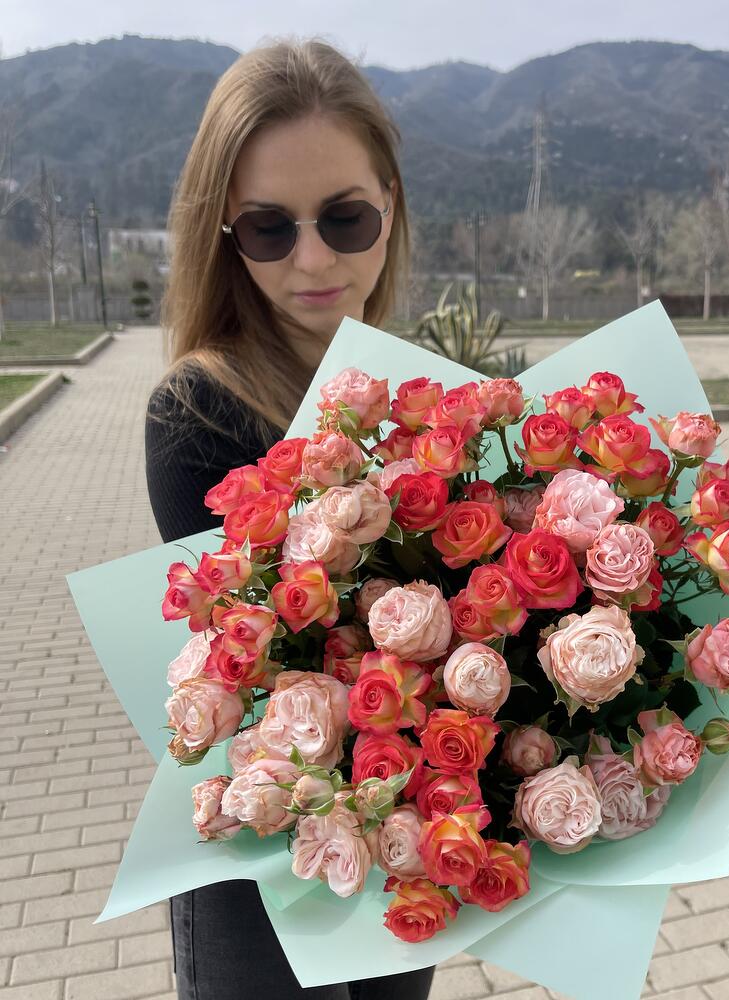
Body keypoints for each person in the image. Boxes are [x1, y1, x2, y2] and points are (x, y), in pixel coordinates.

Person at [144, 37, 433, 1000]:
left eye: (346, 217)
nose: (313, 258)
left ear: (390, 201)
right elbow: (247, 664)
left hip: (402, 824)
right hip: (258, 848)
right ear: (224, 233)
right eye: (268, 229)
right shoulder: (198, 410)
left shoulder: (420, 401)